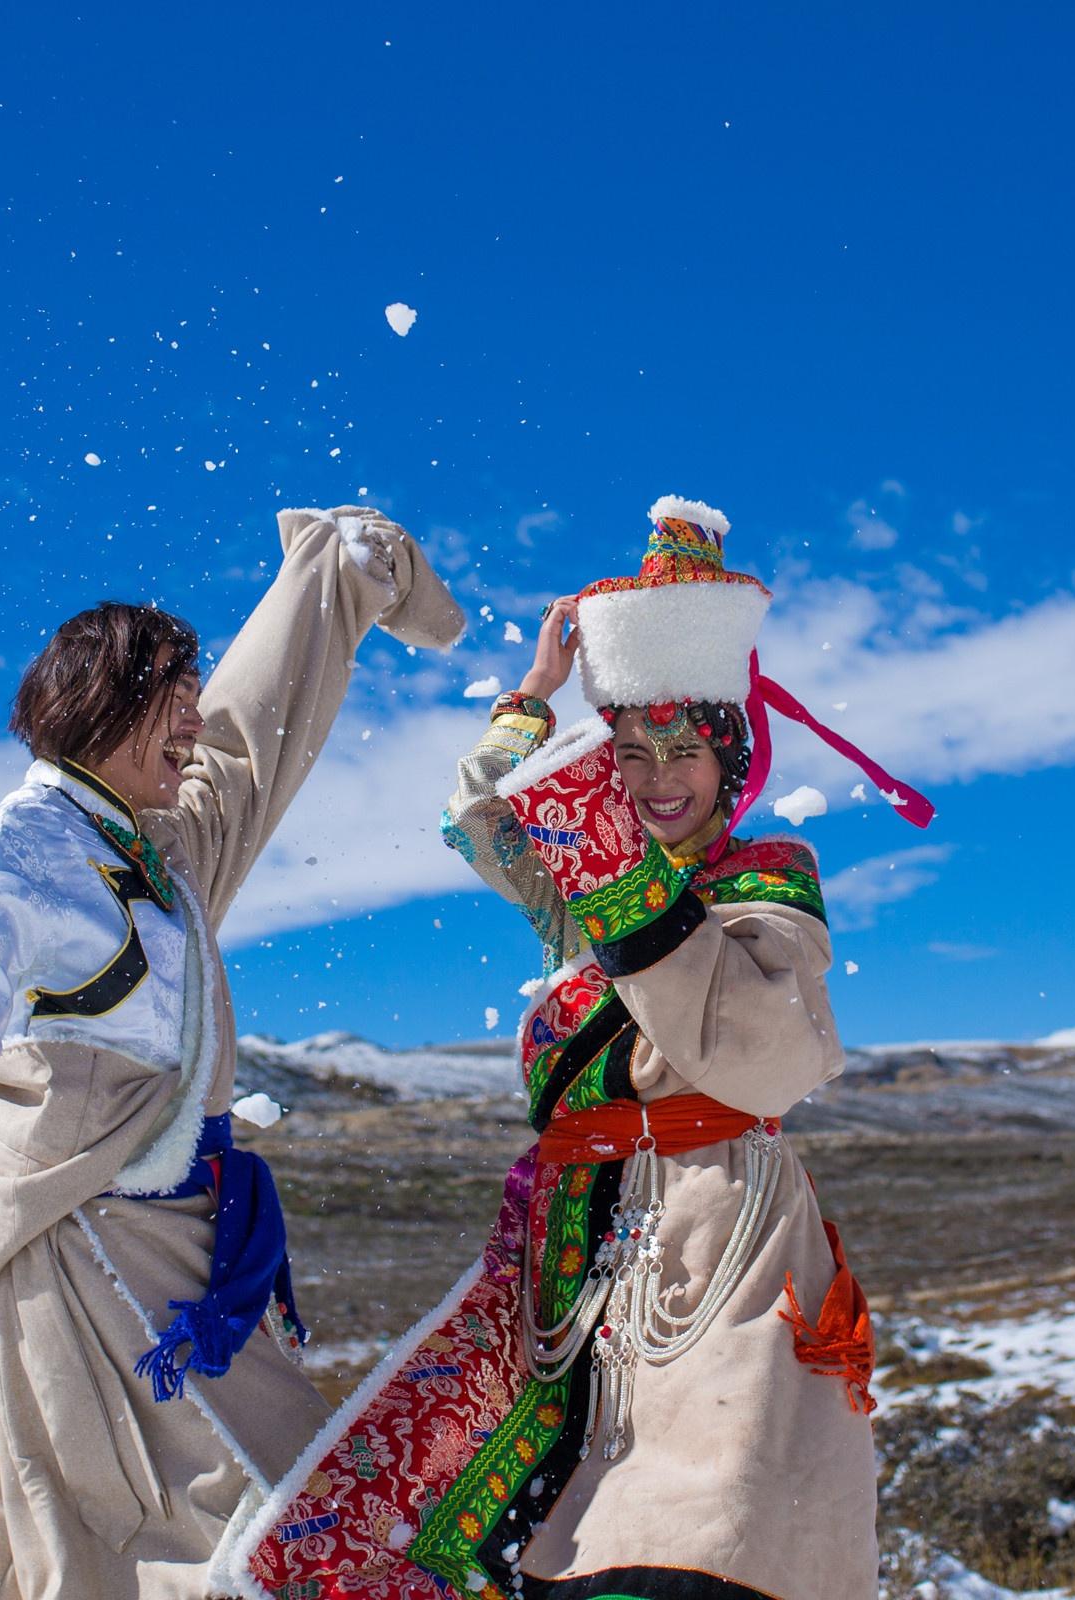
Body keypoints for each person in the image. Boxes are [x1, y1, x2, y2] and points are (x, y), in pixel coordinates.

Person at [226, 497, 933, 1600]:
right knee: (484, 1522)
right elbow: (478, 817)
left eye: (684, 750)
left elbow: (761, 1054)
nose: (657, 778)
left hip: (720, 1234)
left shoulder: (767, 878)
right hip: (567, 1247)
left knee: (700, 1524)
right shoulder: (581, 906)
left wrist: (601, 848)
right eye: (632, 753)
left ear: (729, 757)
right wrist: (530, 700)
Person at [0, 505, 464, 1600]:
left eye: (194, 700)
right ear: (106, 701)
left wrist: (331, 582)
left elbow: (252, 735)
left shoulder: (163, 841)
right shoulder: (26, 840)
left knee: (284, 1504)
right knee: (159, 1533)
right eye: (174, 702)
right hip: (82, 1243)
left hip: (188, 1238)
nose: (194, 725)